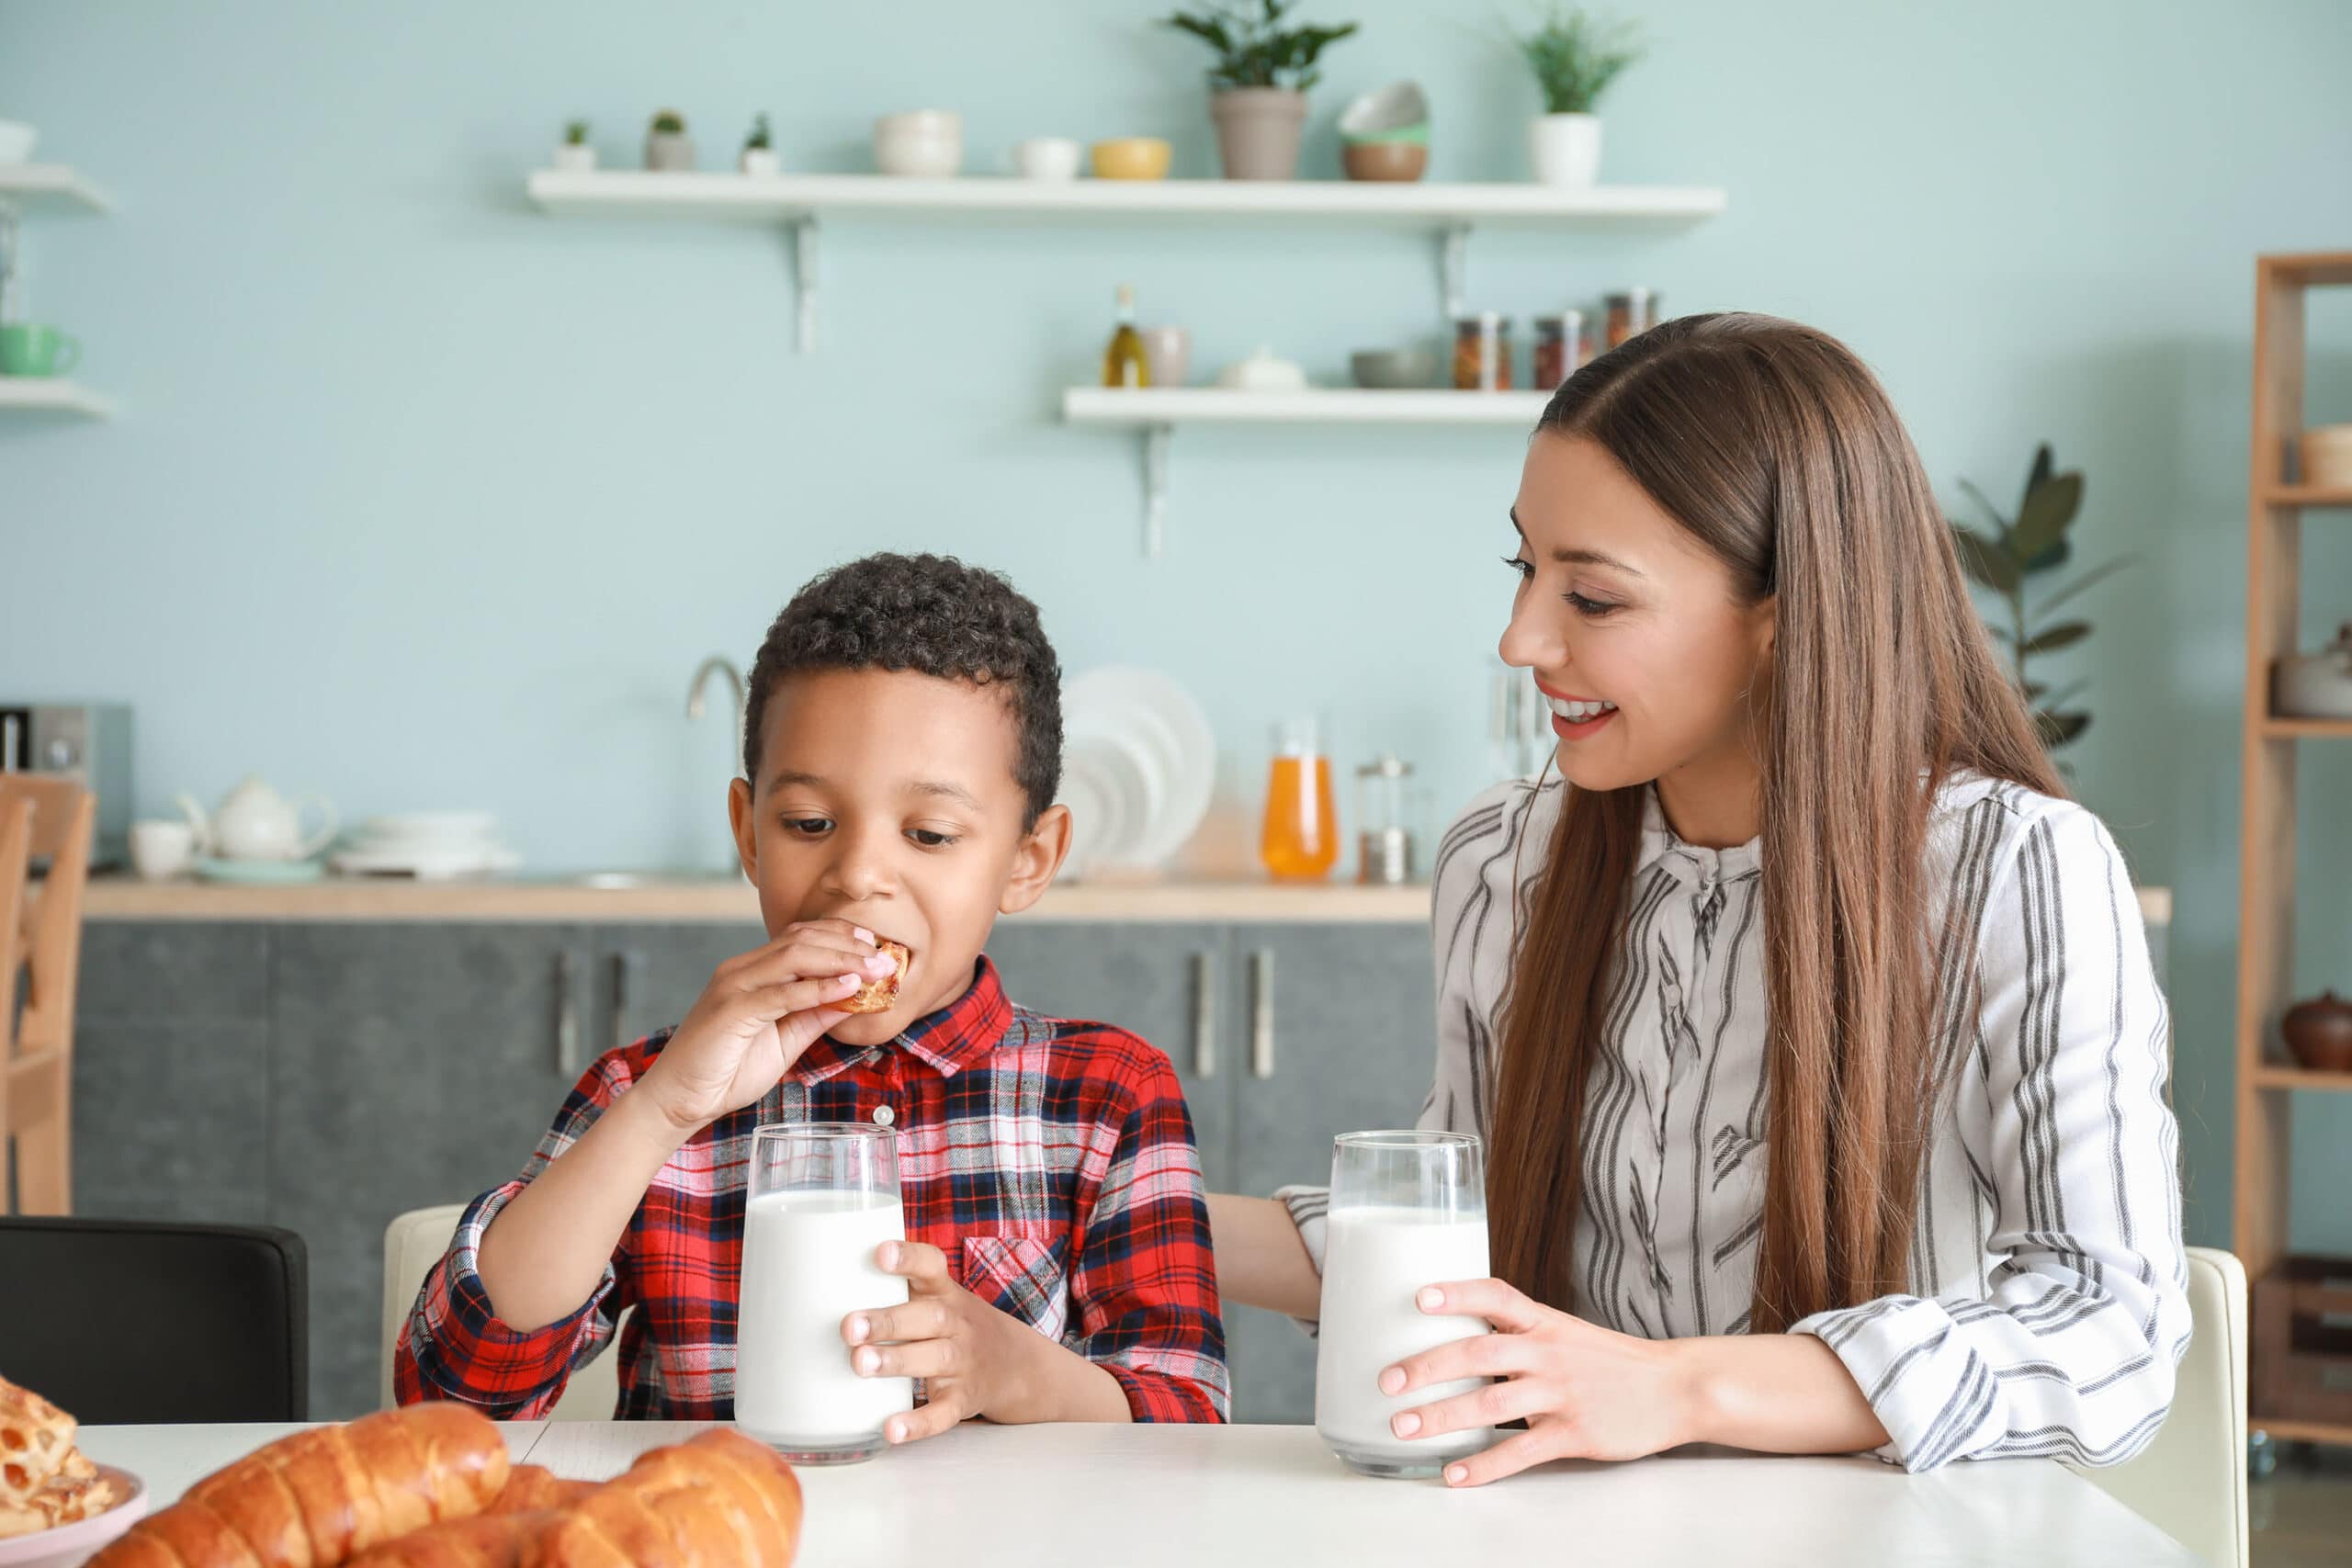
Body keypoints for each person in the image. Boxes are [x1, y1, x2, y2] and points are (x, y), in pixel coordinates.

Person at [1211, 312, 2186, 1486]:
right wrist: (1110, 1206)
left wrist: (1674, 1387)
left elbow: (2108, 1329)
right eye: (1526, 569)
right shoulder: (1500, 864)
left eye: (1595, 599)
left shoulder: (2014, 873)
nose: (1521, 638)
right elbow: (1445, 1254)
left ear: (1780, 619)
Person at [397, 552, 1227, 1437]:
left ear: (1028, 859)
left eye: (931, 832)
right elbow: (457, 1394)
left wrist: (1016, 1368)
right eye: (809, 824)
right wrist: (664, 1110)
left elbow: (1185, 1415)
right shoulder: (651, 1089)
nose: (859, 874)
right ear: (749, 836)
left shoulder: (1107, 1092)